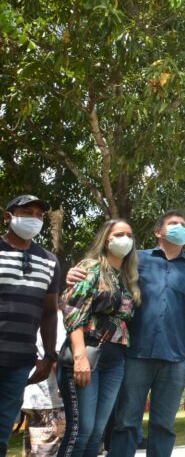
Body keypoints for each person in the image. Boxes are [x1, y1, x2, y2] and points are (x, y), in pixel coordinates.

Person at [66, 210, 185, 457]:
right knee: (126, 423)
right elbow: (100, 277)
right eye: (173, 224)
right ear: (158, 232)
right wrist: (73, 273)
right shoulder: (136, 260)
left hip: (176, 358)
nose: (180, 228)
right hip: (134, 354)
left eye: (183, 225)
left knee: (164, 426)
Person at [57, 219, 140, 457]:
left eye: (129, 234)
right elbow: (73, 313)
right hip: (86, 355)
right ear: (106, 239)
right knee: (81, 431)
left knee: (97, 433)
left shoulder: (128, 276)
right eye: (119, 233)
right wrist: (79, 357)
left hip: (115, 360)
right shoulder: (90, 268)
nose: (125, 239)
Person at [1, 195, 60, 457]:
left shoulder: (49, 261)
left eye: (39, 214)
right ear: (8, 216)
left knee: (3, 431)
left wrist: (48, 355)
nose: (33, 218)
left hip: (20, 363)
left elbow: (49, 313)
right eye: (26, 212)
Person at [21, 309, 66, 457]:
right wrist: (66, 387)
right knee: (47, 450)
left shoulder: (40, 316)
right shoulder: (58, 318)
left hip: (36, 397)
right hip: (50, 400)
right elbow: (56, 359)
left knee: (34, 451)